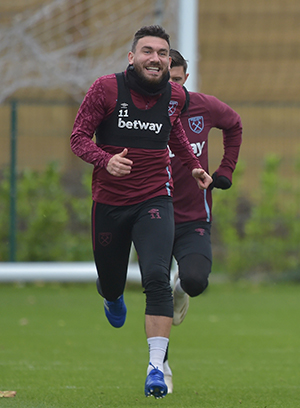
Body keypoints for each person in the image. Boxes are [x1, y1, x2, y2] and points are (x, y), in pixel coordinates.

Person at [69, 25, 212, 399]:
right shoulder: (106, 89)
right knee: (113, 282)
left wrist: (193, 164)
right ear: (132, 57)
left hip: (154, 199)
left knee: (156, 277)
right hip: (110, 204)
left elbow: (175, 133)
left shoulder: (174, 96)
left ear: (169, 60)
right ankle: (112, 294)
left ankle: (155, 369)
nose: (155, 58)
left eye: (162, 53)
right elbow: (78, 137)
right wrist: (105, 160)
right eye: (148, 51)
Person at [162, 49, 243, 392]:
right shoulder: (137, 111)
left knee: (195, 281)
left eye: (177, 80)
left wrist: (224, 170)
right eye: (166, 80)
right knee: (154, 290)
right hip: (150, 214)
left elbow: (235, 125)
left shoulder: (203, 107)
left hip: (193, 215)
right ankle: (159, 366)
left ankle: (181, 291)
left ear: (185, 79)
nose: (171, 88)